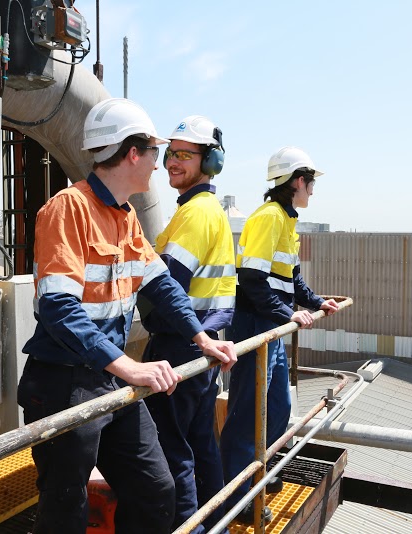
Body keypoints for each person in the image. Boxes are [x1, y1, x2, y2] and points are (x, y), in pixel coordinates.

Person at [16, 98, 236, 534]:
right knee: (65, 509)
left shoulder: (125, 216)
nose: (159, 164)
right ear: (132, 153)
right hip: (64, 383)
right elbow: (58, 307)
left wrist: (201, 338)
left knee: (156, 489)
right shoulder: (67, 209)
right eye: (155, 152)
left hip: (109, 377)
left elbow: (161, 284)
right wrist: (129, 367)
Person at [219, 146, 340, 524]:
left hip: (272, 325)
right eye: (311, 182)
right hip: (257, 325)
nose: (313, 190)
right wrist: (289, 313)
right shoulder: (269, 218)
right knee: (246, 413)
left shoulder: (286, 219)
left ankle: (262, 473)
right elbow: (252, 281)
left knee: (277, 406)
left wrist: (318, 301)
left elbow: (292, 279)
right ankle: (236, 499)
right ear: (297, 181)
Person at [139, 115, 235, 534]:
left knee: (170, 450)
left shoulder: (195, 213)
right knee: (200, 446)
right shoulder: (201, 209)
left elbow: (167, 287)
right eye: (170, 153)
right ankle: (214, 522)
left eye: (184, 154)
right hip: (201, 344)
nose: (172, 162)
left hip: (179, 345)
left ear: (209, 161)